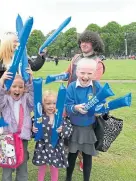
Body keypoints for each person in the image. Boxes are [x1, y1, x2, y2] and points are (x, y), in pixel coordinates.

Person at [65, 30, 105, 171]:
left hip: (87, 102)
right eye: (82, 41)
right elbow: (67, 74)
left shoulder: (98, 62)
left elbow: (95, 85)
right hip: (72, 98)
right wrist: (56, 77)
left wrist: (90, 106)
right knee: (70, 130)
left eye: (87, 42)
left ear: (94, 44)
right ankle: (70, 154)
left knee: (87, 134)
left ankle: (83, 158)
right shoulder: (75, 57)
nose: (84, 44)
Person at [0, 69, 34, 181]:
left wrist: (30, 80)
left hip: (22, 138)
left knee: (22, 165)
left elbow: (35, 99)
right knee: (7, 167)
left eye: (20, 87)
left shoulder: (27, 100)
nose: (17, 89)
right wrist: (1, 81)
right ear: (9, 87)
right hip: (7, 138)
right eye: (14, 86)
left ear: (24, 89)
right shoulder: (5, 100)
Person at [32, 90, 72, 181]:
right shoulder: (40, 117)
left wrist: (62, 129)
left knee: (54, 166)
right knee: (42, 166)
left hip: (56, 146)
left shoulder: (59, 117)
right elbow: (34, 127)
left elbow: (68, 130)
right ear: (43, 105)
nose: (51, 106)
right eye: (48, 103)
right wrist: (33, 128)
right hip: (42, 146)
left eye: (54, 103)